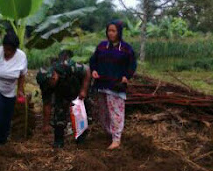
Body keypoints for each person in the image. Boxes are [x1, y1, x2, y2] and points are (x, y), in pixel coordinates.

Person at [89, 20, 137, 150]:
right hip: (101, 84)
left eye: (113, 31)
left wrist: (126, 76)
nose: (111, 33)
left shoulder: (126, 48)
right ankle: (109, 133)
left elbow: (132, 64)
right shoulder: (102, 46)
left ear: (119, 32)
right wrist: (94, 70)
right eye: (109, 30)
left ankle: (116, 139)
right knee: (103, 113)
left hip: (116, 85)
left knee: (116, 113)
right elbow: (93, 60)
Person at [36, 53, 90, 148]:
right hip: (61, 94)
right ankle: (58, 141)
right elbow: (47, 104)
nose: (50, 85)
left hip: (77, 88)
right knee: (58, 116)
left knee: (79, 115)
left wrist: (83, 90)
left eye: (50, 82)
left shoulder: (67, 66)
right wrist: (46, 124)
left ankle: (81, 140)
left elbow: (87, 70)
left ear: (53, 76)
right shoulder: (46, 85)